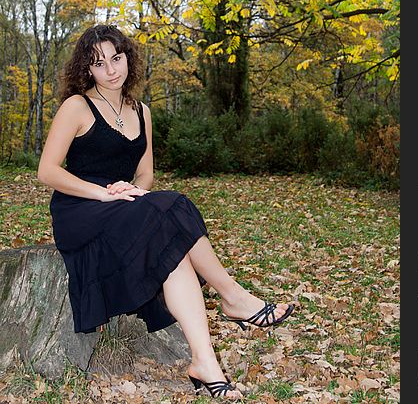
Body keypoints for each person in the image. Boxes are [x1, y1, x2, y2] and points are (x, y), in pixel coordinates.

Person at [38, 24, 294, 400]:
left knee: (170, 246)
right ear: (86, 70)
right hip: (80, 210)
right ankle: (232, 296)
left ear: (128, 58)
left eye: (117, 58)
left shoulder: (141, 111)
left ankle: (204, 362)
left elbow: (145, 173)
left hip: (126, 206)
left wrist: (133, 191)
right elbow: (47, 171)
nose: (111, 70)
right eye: (98, 64)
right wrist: (103, 194)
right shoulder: (77, 106)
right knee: (173, 205)